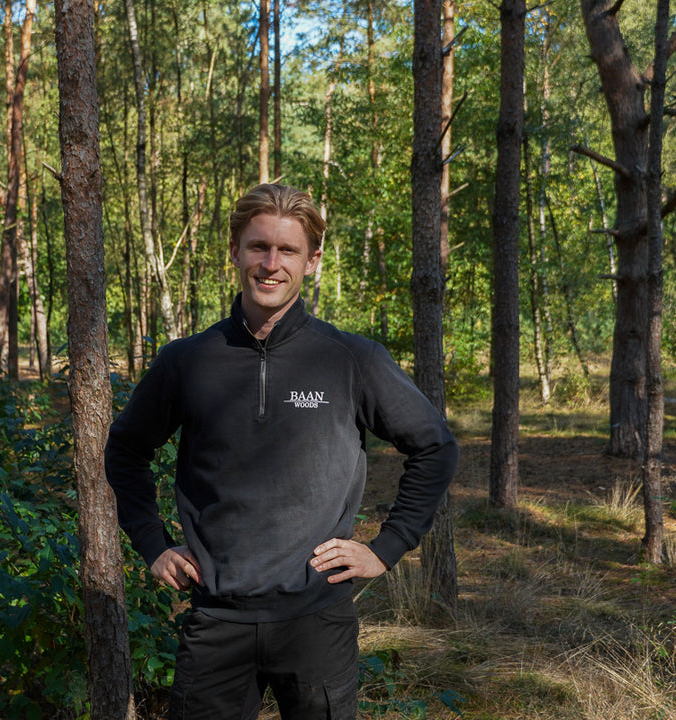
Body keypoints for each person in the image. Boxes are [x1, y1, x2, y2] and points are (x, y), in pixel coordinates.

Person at [105, 183, 458, 720]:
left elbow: (435, 446)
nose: (271, 264)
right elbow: (126, 449)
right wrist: (153, 544)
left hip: (317, 620)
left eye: (288, 250)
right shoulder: (188, 361)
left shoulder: (350, 359)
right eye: (258, 247)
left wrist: (386, 547)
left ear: (311, 261)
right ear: (235, 252)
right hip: (217, 619)